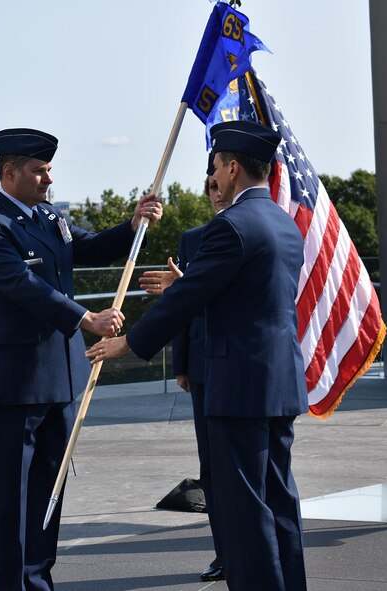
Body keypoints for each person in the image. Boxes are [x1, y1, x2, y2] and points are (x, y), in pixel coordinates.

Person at [87, 120, 308, 591]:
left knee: (245, 511)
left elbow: (186, 303)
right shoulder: (284, 224)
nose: (214, 175)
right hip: (279, 383)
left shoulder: (232, 225)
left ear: (231, 168)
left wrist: (128, 342)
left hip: (238, 388)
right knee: (280, 501)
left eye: (215, 167)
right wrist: (183, 286)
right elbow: (242, 294)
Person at [0, 127, 162, 591]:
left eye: (49, 169)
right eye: (39, 170)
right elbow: (21, 285)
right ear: (9, 172)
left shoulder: (49, 217)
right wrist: (86, 318)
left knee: (48, 496)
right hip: (12, 385)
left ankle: (38, 581)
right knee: (11, 500)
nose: (48, 179)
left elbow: (86, 248)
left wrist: (133, 227)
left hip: (61, 380)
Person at [138, 158, 228, 582]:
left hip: (237, 367)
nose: (214, 190)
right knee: (209, 466)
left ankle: (249, 552)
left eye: (218, 182)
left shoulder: (247, 231)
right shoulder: (192, 239)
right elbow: (179, 309)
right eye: (208, 185)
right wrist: (182, 364)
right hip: (203, 367)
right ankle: (223, 551)